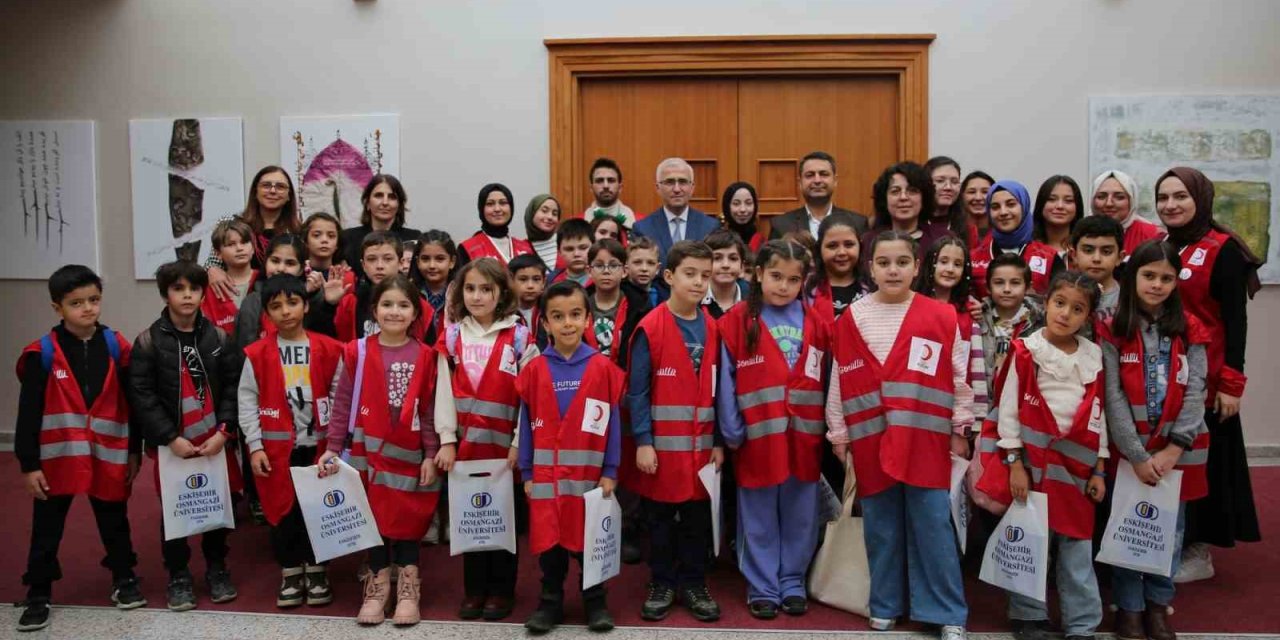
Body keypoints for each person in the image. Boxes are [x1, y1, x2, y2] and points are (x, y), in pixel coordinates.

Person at [826, 231, 972, 639]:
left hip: (925, 439)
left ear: (916, 267)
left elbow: (959, 379)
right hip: (871, 438)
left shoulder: (941, 317)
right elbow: (840, 378)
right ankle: (886, 603)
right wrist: (838, 432)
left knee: (932, 526)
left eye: (902, 262)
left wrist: (961, 427)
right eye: (884, 263)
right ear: (870, 268)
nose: (893, 270)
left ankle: (946, 612)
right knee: (881, 526)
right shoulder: (852, 317)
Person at [976, 271, 1109, 640]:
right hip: (1032, 466)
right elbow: (1007, 412)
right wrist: (1014, 463)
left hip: (1077, 470)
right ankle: (1028, 616)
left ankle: (1082, 623)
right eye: (1060, 303)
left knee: (1077, 549)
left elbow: (1099, 414)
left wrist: (1099, 467)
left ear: (1088, 317)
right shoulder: (1025, 350)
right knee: (1031, 541)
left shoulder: (1094, 356)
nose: (1065, 314)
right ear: (1046, 303)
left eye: (1077, 309)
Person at [15, 265, 144, 632]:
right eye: (76, 303)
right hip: (58, 460)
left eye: (93, 300)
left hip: (109, 454)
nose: (87, 308)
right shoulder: (42, 353)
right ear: (58, 307)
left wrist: (135, 449)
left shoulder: (116, 346)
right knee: (47, 528)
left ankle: (124, 579)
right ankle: (38, 593)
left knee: (115, 523)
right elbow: (28, 414)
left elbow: (132, 403)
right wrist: (29, 465)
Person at [1154, 167, 1262, 582]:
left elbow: (1236, 323)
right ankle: (1170, 542)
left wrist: (1232, 384)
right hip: (1167, 381)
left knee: (1208, 468)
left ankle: (1199, 551)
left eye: (1180, 196)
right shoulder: (1161, 247)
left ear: (1200, 197)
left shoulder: (1224, 250)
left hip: (1211, 383)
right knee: (1176, 466)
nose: (1171, 205)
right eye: (1163, 197)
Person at [320, 275, 441, 626]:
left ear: (415, 312)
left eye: (404, 305)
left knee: (407, 520)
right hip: (366, 452)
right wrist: (332, 446)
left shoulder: (427, 356)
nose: (395, 311)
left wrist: (431, 454)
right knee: (370, 520)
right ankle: (377, 587)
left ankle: (407, 588)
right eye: (387, 304)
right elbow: (341, 402)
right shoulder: (356, 350)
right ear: (374, 309)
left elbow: (430, 408)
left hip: (409, 454)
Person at [1104, 241, 1210, 640]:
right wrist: (1134, 452)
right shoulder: (1113, 328)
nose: (1157, 284)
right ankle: (1129, 608)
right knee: (1128, 530)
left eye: (1167, 278)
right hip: (1130, 451)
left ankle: (1157, 605)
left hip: (1174, 454)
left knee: (1169, 532)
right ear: (1132, 278)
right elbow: (1112, 395)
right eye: (1149, 276)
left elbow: (1197, 387)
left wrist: (1174, 447)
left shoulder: (1191, 327)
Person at [718, 240, 827, 620]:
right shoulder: (735, 320)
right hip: (757, 437)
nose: (783, 286)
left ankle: (792, 581)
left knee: (800, 512)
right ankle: (763, 585)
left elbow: (827, 379)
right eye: (776, 276)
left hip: (805, 435)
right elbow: (725, 380)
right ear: (759, 273)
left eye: (793, 279)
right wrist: (731, 429)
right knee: (758, 514)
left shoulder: (815, 319)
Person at [128, 260, 241, 612]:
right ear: (165, 294)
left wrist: (225, 430)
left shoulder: (218, 337)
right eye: (178, 289)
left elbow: (234, 388)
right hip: (174, 444)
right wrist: (168, 437)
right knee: (177, 509)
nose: (187, 295)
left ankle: (217, 567)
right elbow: (142, 396)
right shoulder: (148, 341)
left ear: (203, 293)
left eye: (193, 288)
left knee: (216, 505)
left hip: (214, 439)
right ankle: (178, 573)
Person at [433, 258, 539, 621]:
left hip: (503, 450)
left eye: (486, 289)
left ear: (501, 293)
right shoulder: (451, 337)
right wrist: (446, 439)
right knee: (472, 519)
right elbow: (443, 391)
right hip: (464, 448)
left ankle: (501, 590)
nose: (477, 296)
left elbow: (529, 397)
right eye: (470, 289)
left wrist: (518, 443)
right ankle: (474, 589)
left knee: (502, 520)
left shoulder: (519, 336)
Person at [518, 280, 626, 634]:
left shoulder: (602, 369)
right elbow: (526, 425)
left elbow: (612, 426)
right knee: (550, 546)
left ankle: (595, 601)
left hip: (587, 477)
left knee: (588, 542)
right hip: (547, 479)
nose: (567, 323)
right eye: (558, 316)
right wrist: (527, 472)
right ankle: (550, 602)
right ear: (545, 323)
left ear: (588, 319)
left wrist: (610, 469)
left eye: (575, 315)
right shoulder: (534, 370)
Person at [627, 241, 724, 623]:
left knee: (698, 521)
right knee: (661, 522)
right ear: (669, 277)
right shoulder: (650, 327)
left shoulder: (714, 327)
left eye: (705, 275)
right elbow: (637, 391)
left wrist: (718, 442)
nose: (699, 282)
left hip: (701, 452)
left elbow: (721, 392)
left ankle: (695, 583)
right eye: (690, 274)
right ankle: (663, 582)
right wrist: (643, 442)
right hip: (661, 453)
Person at [239, 275, 344, 609]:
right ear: (267, 314)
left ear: (306, 305)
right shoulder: (256, 354)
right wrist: (254, 445)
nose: (285, 312)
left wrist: (337, 445)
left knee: (317, 509)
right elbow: (247, 401)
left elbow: (340, 397)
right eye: (276, 306)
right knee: (282, 512)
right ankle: (290, 571)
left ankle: (316, 570)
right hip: (275, 451)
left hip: (318, 448)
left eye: (292, 303)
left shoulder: (328, 348)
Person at [914, 236, 989, 428]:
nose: (949, 269)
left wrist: (977, 420)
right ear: (930, 264)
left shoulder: (970, 311)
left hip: (957, 413)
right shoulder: (913, 305)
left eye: (957, 264)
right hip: (917, 407)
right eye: (943, 261)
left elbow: (977, 367)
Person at [205, 166, 301, 301]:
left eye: (280, 187)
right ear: (255, 192)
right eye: (266, 185)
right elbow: (213, 262)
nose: (272, 191)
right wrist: (211, 270)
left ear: (289, 196)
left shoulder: (298, 232)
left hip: (283, 302)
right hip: (235, 300)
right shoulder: (231, 223)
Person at [334, 232, 435, 344]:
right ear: (363, 265)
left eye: (387, 259)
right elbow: (340, 346)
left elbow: (429, 352)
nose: (379, 266)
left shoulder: (419, 305)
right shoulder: (349, 303)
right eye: (372, 259)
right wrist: (328, 305)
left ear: (401, 263)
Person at [971, 180, 1064, 299]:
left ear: (1024, 206)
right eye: (995, 207)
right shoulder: (973, 257)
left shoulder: (1049, 257)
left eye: (1010, 204)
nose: (1003, 212)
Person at [632, 158, 719, 263]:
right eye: (669, 182)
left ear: (692, 188)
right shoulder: (643, 229)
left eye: (683, 182)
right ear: (658, 188)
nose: (677, 189)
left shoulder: (710, 227)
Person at [862, 161, 947, 266]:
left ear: (924, 197)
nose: (903, 197)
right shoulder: (868, 242)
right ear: (885, 199)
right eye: (895, 191)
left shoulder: (943, 239)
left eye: (912, 191)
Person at [338, 174, 422, 281]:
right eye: (378, 196)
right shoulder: (347, 238)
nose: (385, 202)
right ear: (367, 202)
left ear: (399, 205)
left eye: (392, 197)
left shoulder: (414, 238)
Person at [978, 253, 1045, 386]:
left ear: (1027, 287)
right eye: (999, 283)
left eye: (1015, 283)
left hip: (1021, 399)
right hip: (983, 399)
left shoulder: (1040, 321)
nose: (1007, 289)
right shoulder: (978, 318)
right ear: (988, 287)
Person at [769, 151, 868, 239]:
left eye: (824, 174)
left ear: (835, 181)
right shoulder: (781, 225)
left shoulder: (857, 223)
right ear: (800, 183)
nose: (817, 180)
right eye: (810, 175)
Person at [587, 238, 645, 359]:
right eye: (599, 265)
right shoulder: (580, 304)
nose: (606, 271)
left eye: (613, 265)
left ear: (624, 271)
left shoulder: (639, 307)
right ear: (589, 271)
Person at [806, 211, 867, 321]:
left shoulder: (872, 285)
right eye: (832, 246)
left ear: (860, 246)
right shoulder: (806, 288)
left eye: (849, 245)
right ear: (819, 249)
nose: (842, 252)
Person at [457, 183, 535, 269]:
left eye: (503, 203)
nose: (497, 209)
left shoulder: (526, 247)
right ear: (481, 209)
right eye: (490, 204)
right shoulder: (467, 248)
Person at [200, 219, 257, 333]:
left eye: (244, 242)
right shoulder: (210, 288)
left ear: (253, 248)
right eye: (231, 244)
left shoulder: (263, 280)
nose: (239, 248)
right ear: (218, 254)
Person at [1090, 170, 1163, 255]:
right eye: (1101, 197)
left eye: (1119, 197)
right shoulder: (1081, 232)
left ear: (1131, 201)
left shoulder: (1152, 235)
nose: (1109, 203)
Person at [1069, 216, 1125, 325]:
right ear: (1074, 255)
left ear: (1120, 257)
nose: (1096, 259)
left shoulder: (1128, 300)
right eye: (1088, 250)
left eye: (1106, 251)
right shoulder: (1061, 295)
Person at [411, 230, 458, 329]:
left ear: (452, 262)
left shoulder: (461, 294)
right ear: (417, 261)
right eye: (425, 259)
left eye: (440, 259)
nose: (432, 265)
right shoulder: (408, 293)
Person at [1032, 175, 1085, 257]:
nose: (1060, 206)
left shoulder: (1085, 248)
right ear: (1041, 204)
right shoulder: (1027, 248)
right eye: (1051, 199)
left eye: (1068, 201)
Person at [702, 229, 749, 319]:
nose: (725, 265)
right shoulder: (693, 299)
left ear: (742, 267)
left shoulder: (754, 299)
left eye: (733, 258)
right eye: (717, 258)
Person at [582, 157, 637, 229]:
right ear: (591, 188)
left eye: (611, 180)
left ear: (620, 187)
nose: (606, 186)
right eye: (599, 181)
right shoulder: (580, 222)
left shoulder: (638, 223)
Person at [924, 156, 970, 241]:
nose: (948, 187)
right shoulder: (913, 224)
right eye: (940, 181)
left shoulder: (969, 228)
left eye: (954, 182)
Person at [508, 253, 548, 339]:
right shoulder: (504, 313)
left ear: (544, 282)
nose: (530, 285)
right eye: (523, 279)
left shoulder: (549, 310)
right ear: (511, 281)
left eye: (536, 279)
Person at [623, 236, 665, 316]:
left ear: (657, 268)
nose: (644, 269)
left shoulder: (664, 295)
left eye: (650, 263)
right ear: (626, 267)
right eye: (637, 262)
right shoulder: (620, 295)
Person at [721, 181, 764, 253]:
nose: (743, 209)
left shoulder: (762, 243)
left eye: (748, 203)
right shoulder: (718, 242)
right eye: (736, 204)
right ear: (727, 207)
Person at [549, 218, 594, 286]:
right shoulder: (552, 282)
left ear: (594, 247)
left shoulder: (603, 279)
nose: (576, 254)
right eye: (569, 249)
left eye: (583, 248)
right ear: (559, 252)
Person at [526, 194, 564, 271]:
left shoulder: (564, 241)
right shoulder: (521, 247)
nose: (550, 217)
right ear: (532, 213)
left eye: (555, 214)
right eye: (544, 211)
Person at [961, 171, 995, 251]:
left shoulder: (1003, 233)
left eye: (985, 192)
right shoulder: (952, 232)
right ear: (961, 196)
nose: (978, 198)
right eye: (971, 192)